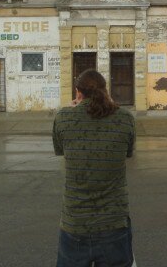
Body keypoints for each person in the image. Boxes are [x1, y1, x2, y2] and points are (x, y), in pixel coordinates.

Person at [53, 69, 136, 267]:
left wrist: (70, 111)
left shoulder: (63, 118)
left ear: (78, 93)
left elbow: (61, 150)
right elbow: (128, 153)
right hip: (114, 224)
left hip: (75, 225)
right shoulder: (125, 119)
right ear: (105, 90)